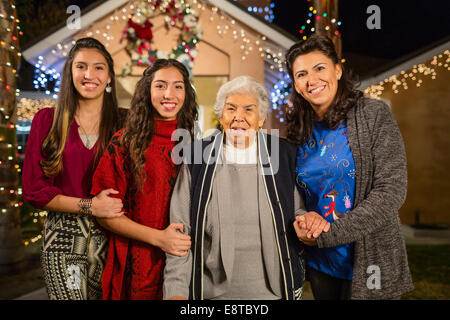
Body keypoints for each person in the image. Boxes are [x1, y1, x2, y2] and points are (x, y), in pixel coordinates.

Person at [285, 34, 414, 300]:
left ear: (338, 70)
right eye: (301, 74)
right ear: (296, 85)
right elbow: (296, 192)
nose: (312, 80)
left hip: (370, 261)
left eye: (320, 68)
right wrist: (304, 219)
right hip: (321, 263)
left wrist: (329, 234)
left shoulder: (373, 115)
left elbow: (391, 191)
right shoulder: (299, 130)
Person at [163, 75, 307, 300]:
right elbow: (179, 233)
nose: (238, 117)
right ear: (221, 116)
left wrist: (307, 222)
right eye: (231, 109)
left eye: (249, 110)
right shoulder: (196, 157)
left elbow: (299, 213)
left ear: (261, 119)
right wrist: (176, 293)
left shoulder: (284, 154)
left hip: (275, 293)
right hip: (211, 294)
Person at [22, 37, 126, 300]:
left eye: (98, 67)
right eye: (81, 66)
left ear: (110, 76)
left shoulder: (126, 122)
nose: (89, 74)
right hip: (62, 238)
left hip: (114, 236)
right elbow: (34, 190)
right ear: (70, 72)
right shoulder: (47, 121)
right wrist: (90, 206)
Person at [90, 59, 197, 300]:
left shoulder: (196, 144)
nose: (169, 94)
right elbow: (105, 215)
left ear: (186, 94)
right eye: (160, 85)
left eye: (178, 86)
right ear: (147, 91)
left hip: (185, 262)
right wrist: (160, 238)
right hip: (138, 263)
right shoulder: (125, 142)